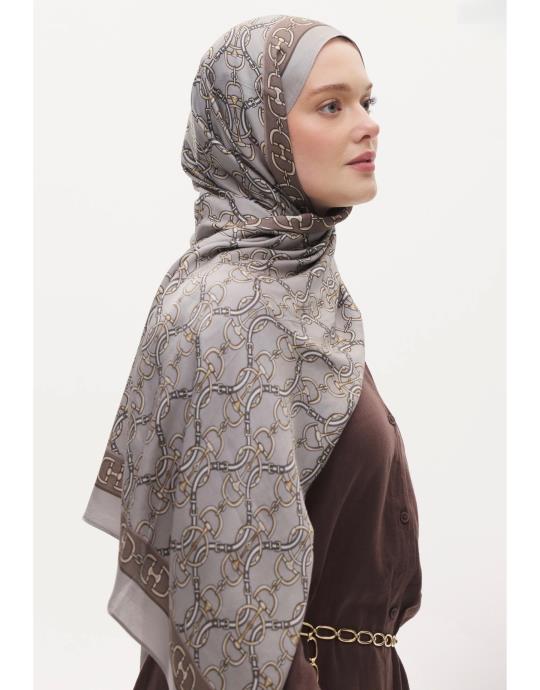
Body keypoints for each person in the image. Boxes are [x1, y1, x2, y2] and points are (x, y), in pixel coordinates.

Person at [83, 14, 422, 690]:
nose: (368, 124)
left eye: (366, 100)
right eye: (331, 105)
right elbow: (232, 600)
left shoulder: (303, 296)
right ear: (252, 131)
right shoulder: (232, 312)